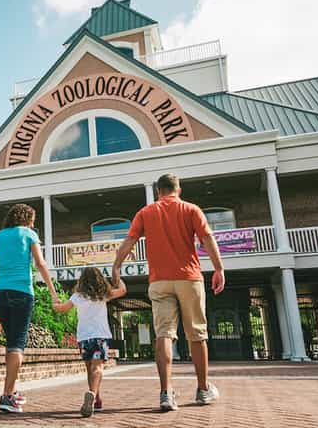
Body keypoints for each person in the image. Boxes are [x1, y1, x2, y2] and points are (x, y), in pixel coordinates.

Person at [112, 173, 226, 412]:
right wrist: (218, 268)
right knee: (197, 333)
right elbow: (207, 238)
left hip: (159, 281)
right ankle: (203, 390)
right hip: (189, 278)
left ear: (158, 191)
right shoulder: (191, 209)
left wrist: (116, 266)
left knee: (164, 333)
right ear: (178, 189)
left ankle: (166, 393)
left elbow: (129, 241)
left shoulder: (146, 212)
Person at [0, 203, 60, 413]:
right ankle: (7, 396)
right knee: (17, 344)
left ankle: (11, 390)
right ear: (28, 219)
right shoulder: (29, 234)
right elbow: (41, 264)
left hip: (0, 293)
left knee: (11, 344)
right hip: (22, 292)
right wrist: (54, 293)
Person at [52, 267, 127, 417]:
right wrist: (117, 278)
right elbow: (123, 290)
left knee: (89, 369)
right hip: (100, 337)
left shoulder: (77, 296)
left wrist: (55, 303)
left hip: (84, 339)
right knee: (97, 368)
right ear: (100, 279)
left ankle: (96, 399)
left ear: (82, 280)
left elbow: (61, 309)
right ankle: (92, 393)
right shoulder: (103, 294)